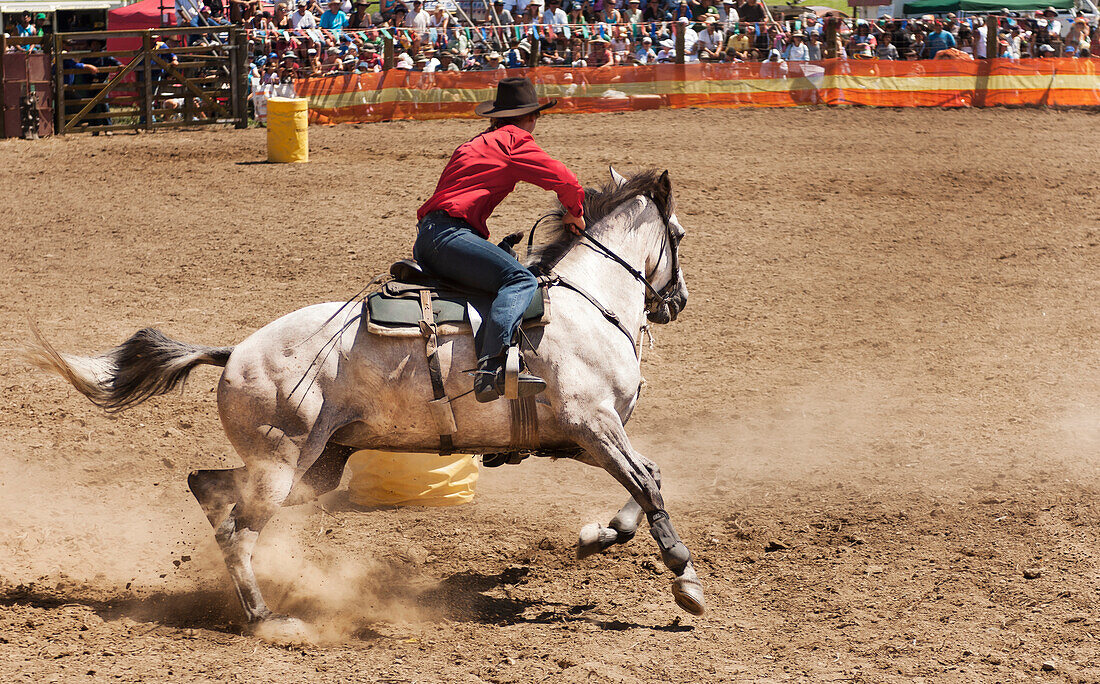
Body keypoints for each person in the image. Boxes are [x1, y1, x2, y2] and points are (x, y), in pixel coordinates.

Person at [415, 78, 585, 403]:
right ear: (530, 117)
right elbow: (564, 178)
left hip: (433, 237)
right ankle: (493, 368)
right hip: (450, 237)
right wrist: (574, 212)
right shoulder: (514, 141)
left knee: (501, 273)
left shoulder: (475, 143)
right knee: (520, 279)